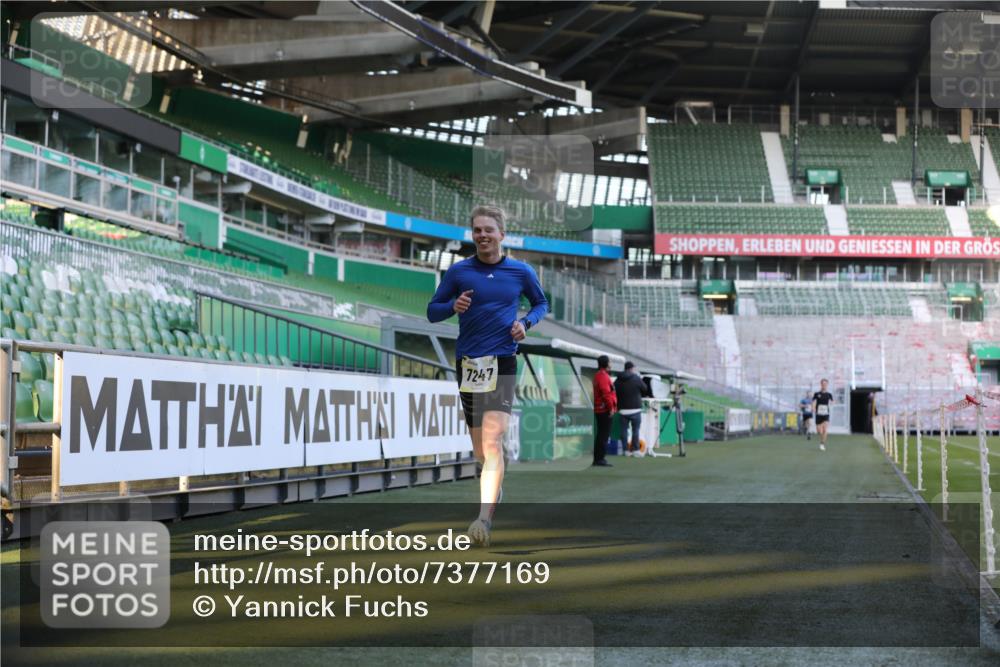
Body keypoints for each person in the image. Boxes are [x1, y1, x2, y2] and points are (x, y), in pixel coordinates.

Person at [426, 205, 548, 546]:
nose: (482, 235)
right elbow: (432, 312)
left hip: (503, 360)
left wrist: (525, 323)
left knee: (493, 442)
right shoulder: (458, 272)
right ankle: (495, 488)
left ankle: (483, 519)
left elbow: (541, 304)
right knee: (481, 450)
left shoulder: (521, 272)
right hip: (469, 364)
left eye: (488, 230)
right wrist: (452, 307)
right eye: (477, 230)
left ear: (501, 235)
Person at [614, 361, 650, 456]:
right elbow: (645, 388)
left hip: (622, 409)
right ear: (631, 368)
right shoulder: (636, 378)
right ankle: (635, 450)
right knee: (635, 430)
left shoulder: (618, 379)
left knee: (623, 430)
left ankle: (625, 450)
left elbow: (613, 390)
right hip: (635, 408)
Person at [592, 355, 617, 466]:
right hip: (604, 409)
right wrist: (610, 408)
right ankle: (599, 459)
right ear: (606, 363)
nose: (611, 363)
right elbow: (606, 393)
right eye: (610, 361)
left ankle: (599, 458)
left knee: (602, 434)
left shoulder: (600, 375)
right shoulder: (602, 376)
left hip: (601, 409)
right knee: (603, 435)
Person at [812, 379, 834, 451]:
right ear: (821, 384)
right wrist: (813, 408)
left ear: (827, 385)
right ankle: (822, 440)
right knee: (819, 431)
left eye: (825, 384)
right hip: (818, 414)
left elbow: (832, 401)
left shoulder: (829, 394)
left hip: (826, 414)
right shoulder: (816, 394)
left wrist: (832, 403)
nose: (824, 385)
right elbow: (814, 402)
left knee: (825, 429)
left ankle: (822, 443)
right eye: (823, 384)